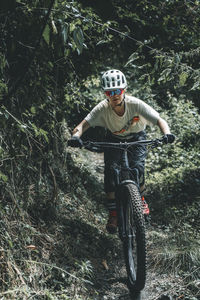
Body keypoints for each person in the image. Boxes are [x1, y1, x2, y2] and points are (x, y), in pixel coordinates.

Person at [68, 69, 175, 234]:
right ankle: (113, 214)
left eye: (117, 91)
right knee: (111, 172)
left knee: (138, 167)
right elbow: (82, 125)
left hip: (137, 137)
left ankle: (142, 200)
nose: (114, 95)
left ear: (123, 90)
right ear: (105, 93)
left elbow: (160, 120)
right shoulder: (102, 108)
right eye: (110, 92)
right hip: (113, 138)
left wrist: (167, 134)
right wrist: (76, 137)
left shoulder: (135, 104)